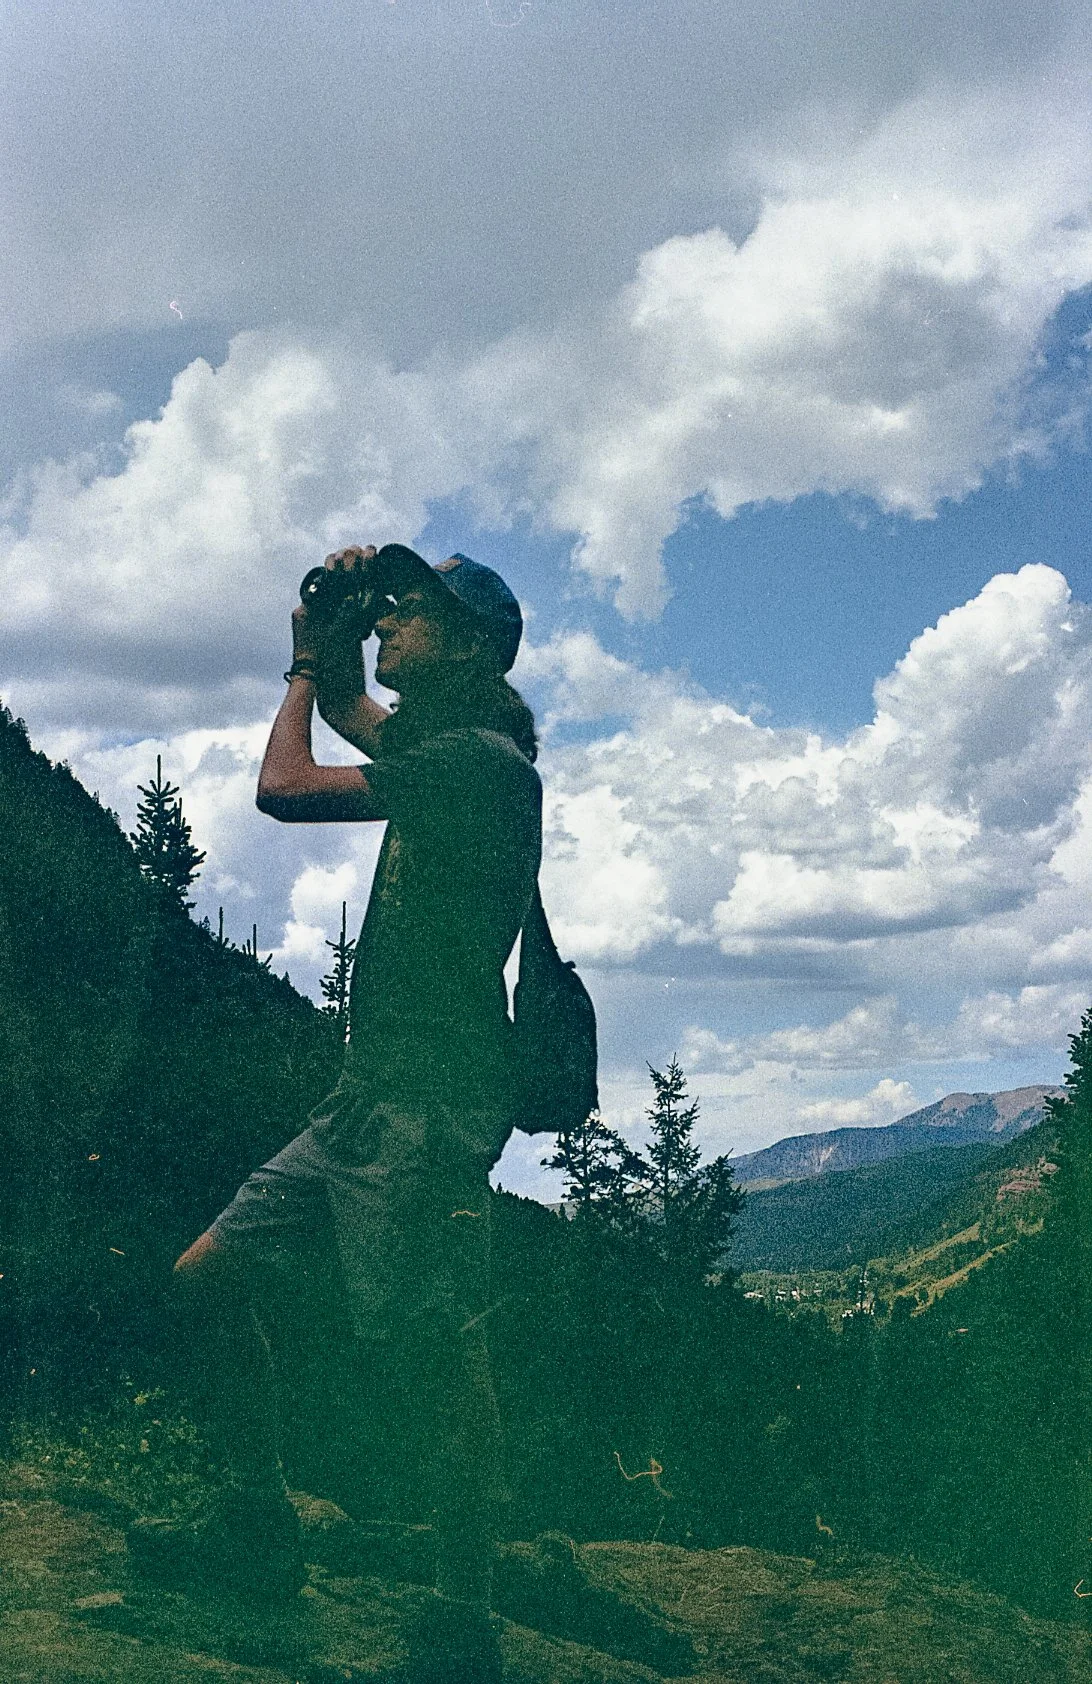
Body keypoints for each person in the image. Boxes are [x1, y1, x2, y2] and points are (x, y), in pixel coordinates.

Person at [134, 543, 542, 1681]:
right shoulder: (447, 743)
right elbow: (369, 714)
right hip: (371, 1099)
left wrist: (302, 668)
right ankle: (256, 1523)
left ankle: (466, 1611)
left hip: (429, 1109)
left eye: (417, 608)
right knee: (206, 1275)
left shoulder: (481, 762)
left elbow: (286, 787)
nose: (399, 612)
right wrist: (338, 634)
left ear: (468, 645)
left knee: (439, 1358)